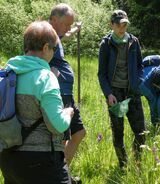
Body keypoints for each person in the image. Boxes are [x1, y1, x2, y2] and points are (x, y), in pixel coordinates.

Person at [0, 20, 74, 184]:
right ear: (46, 47)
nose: (54, 53)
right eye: (54, 48)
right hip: (42, 161)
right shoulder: (46, 77)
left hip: (8, 159)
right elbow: (57, 125)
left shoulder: (6, 74)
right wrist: (67, 113)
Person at [98, 9, 146, 168]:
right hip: (115, 94)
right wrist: (108, 93)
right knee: (118, 131)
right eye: (118, 24)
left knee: (141, 132)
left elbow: (140, 66)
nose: (122, 28)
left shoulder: (134, 42)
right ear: (112, 25)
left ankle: (137, 163)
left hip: (132, 92)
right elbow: (101, 73)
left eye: (124, 24)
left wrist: (138, 82)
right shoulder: (106, 44)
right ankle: (123, 165)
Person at [49, 3, 86, 171]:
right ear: (54, 20)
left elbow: (67, 34)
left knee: (79, 133)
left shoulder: (56, 34)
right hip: (59, 93)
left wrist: (75, 30)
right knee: (61, 140)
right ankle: (57, 174)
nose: (68, 28)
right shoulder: (47, 37)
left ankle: (62, 170)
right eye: (66, 24)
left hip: (67, 94)